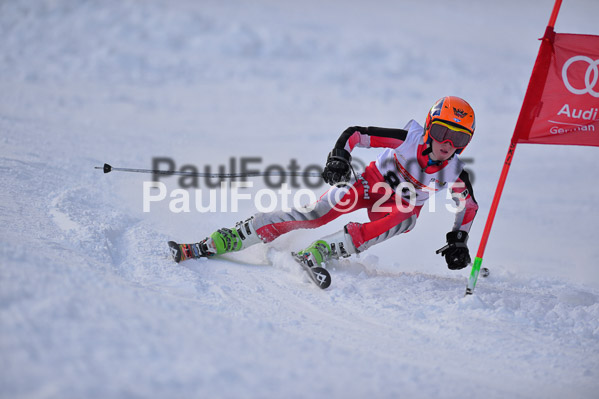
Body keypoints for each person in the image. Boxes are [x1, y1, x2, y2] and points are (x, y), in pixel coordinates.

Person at [169, 96, 478, 271]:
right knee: (316, 215)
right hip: (369, 184)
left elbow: (469, 206)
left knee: (406, 219)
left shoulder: (454, 172)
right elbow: (356, 133)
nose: (447, 143)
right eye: (441, 132)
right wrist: (340, 157)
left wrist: (459, 239)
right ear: (428, 128)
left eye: (459, 138)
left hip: (395, 208)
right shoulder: (407, 139)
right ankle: (232, 237)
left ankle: (324, 250)